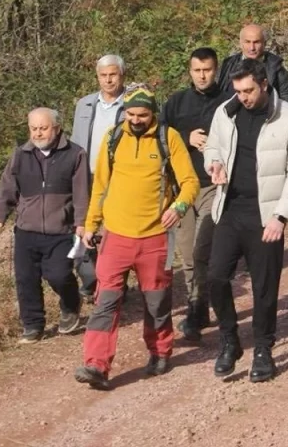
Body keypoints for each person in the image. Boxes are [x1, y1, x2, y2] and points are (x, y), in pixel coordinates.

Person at [73, 85, 200, 389]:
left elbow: (190, 182)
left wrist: (179, 207)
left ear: (152, 113)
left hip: (156, 237)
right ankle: (96, 364)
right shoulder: (114, 137)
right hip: (116, 235)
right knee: (105, 300)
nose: (135, 120)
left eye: (142, 115)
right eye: (130, 114)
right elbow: (100, 185)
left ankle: (160, 351)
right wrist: (91, 224)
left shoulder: (168, 138)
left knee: (157, 301)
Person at [205, 59, 288, 383]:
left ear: (264, 84)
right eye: (238, 91)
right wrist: (214, 164)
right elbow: (212, 147)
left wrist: (281, 216)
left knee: (265, 287)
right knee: (216, 277)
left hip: (267, 216)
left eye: (248, 91)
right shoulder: (225, 112)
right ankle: (230, 340)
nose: (243, 97)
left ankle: (263, 349)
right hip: (229, 209)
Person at [0, 108, 88, 344]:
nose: (38, 133)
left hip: (60, 230)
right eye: (33, 128)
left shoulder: (75, 154)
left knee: (59, 275)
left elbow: (82, 193)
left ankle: (71, 303)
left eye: (43, 128)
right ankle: (33, 325)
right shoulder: (20, 154)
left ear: (56, 128)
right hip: (26, 229)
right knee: (26, 279)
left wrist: (82, 223)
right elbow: (7, 187)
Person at [162, 47, 231, 343]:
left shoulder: (228, 101)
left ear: (216, 70)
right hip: (181, 189)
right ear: (189, 71)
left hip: (213, 186)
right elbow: (159, 135)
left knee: (203, 250)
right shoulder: (176, 102)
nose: (202, 76)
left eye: (207, 70)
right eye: (197, 70)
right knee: (188, 254)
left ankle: (197, 310)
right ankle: (199, 308)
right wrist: (185, 137)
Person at [69, 54, 126, 300]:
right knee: (83, 227)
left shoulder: (132, 103)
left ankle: (115, 285)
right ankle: (91, 280)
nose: (108, 80)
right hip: (86, 177)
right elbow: (75, 142)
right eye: (103, 75)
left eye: (113, 75)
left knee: (114, 232)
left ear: (122, 75)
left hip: (118, 178)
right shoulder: (84, 104)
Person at [217, 24, 288, 108]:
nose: (252, 48)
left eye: (256, 42)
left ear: (264, 43)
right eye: (247, 42)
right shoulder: (227, 65)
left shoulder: (276, 69)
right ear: (240, 43)